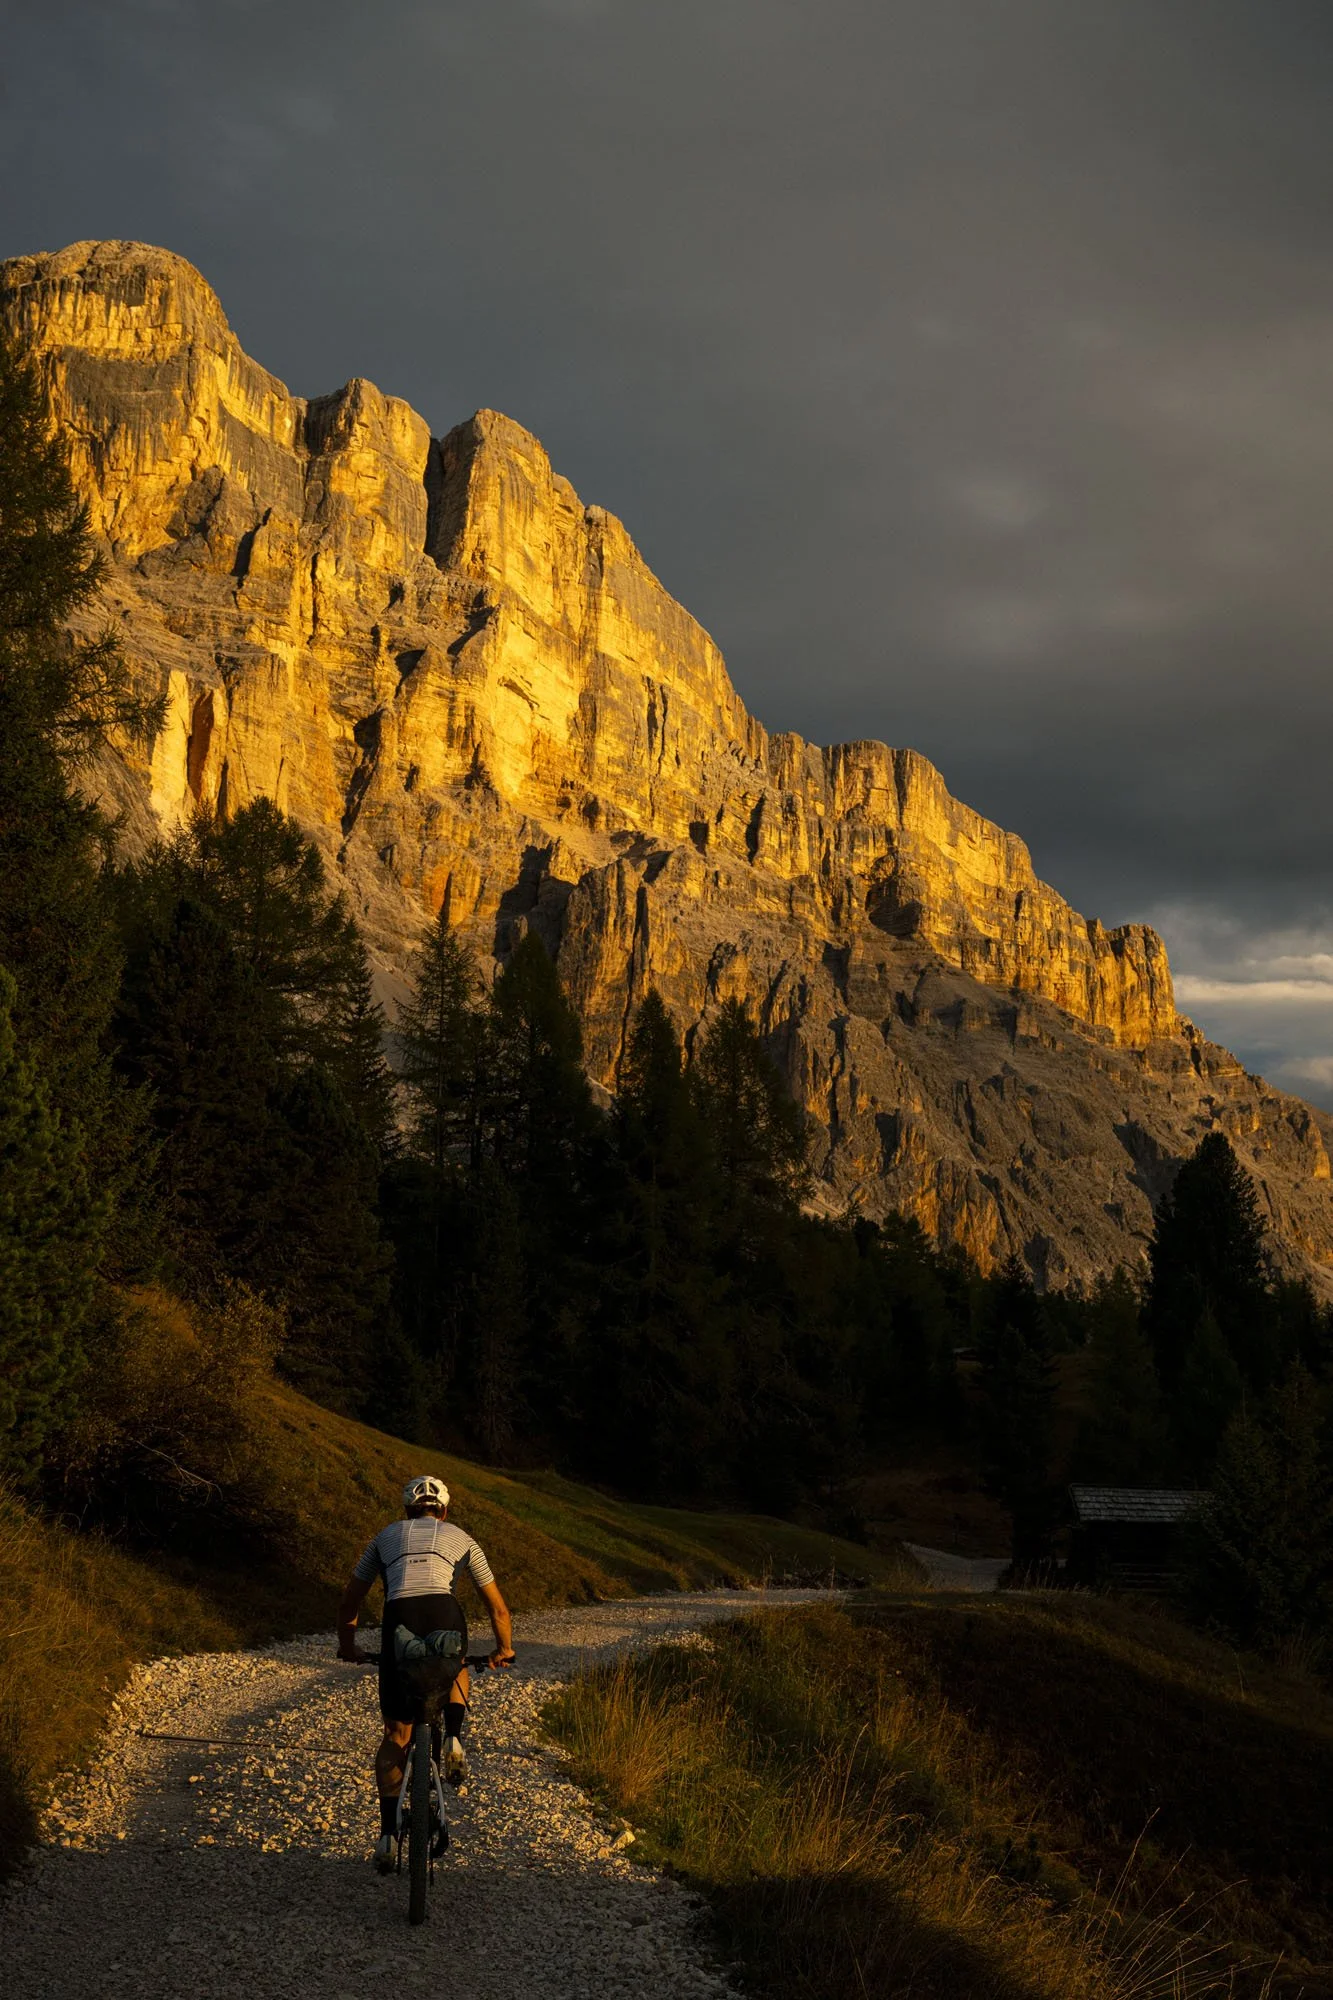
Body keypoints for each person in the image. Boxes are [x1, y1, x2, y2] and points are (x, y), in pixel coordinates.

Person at [337, 1472, 515, 1871]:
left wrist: (348, 1647)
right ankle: (453, 1737)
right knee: (456, 1662)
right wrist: (504, 1649)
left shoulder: (384, 1537)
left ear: (406, 1510)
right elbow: (498, 1609)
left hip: (399, 1617)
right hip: (443, 1611)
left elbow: (350, 1601)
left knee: (396, 1735)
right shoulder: (463, 1538)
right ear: (444, 1511)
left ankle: (387, 1836)